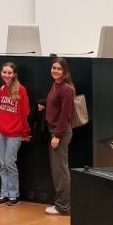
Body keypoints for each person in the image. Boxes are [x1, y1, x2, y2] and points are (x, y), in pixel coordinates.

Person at [0, 62, 30, 206]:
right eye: (4, 72)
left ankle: (14, 195)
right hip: (1, 133)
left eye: (9, 73)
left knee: (10, 163)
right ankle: (4, 194)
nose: (6, 75)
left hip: (14, 134)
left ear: (14, 75)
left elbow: (25, 112)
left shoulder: (21, 90)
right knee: (3, 164)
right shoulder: (1, 90)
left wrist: (25, 132)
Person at [41, 57, 75, 215]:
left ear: (65, 71)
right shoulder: (56, 85)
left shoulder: (66, 89)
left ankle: (63, 206)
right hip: (53, 131)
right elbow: (56, 106)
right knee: (57, 170)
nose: (55, 71)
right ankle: (61, 204)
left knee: (60, 171)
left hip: (59, 132)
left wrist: (58, 136)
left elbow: (65, 116)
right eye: (53, 68)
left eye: (59, 68)